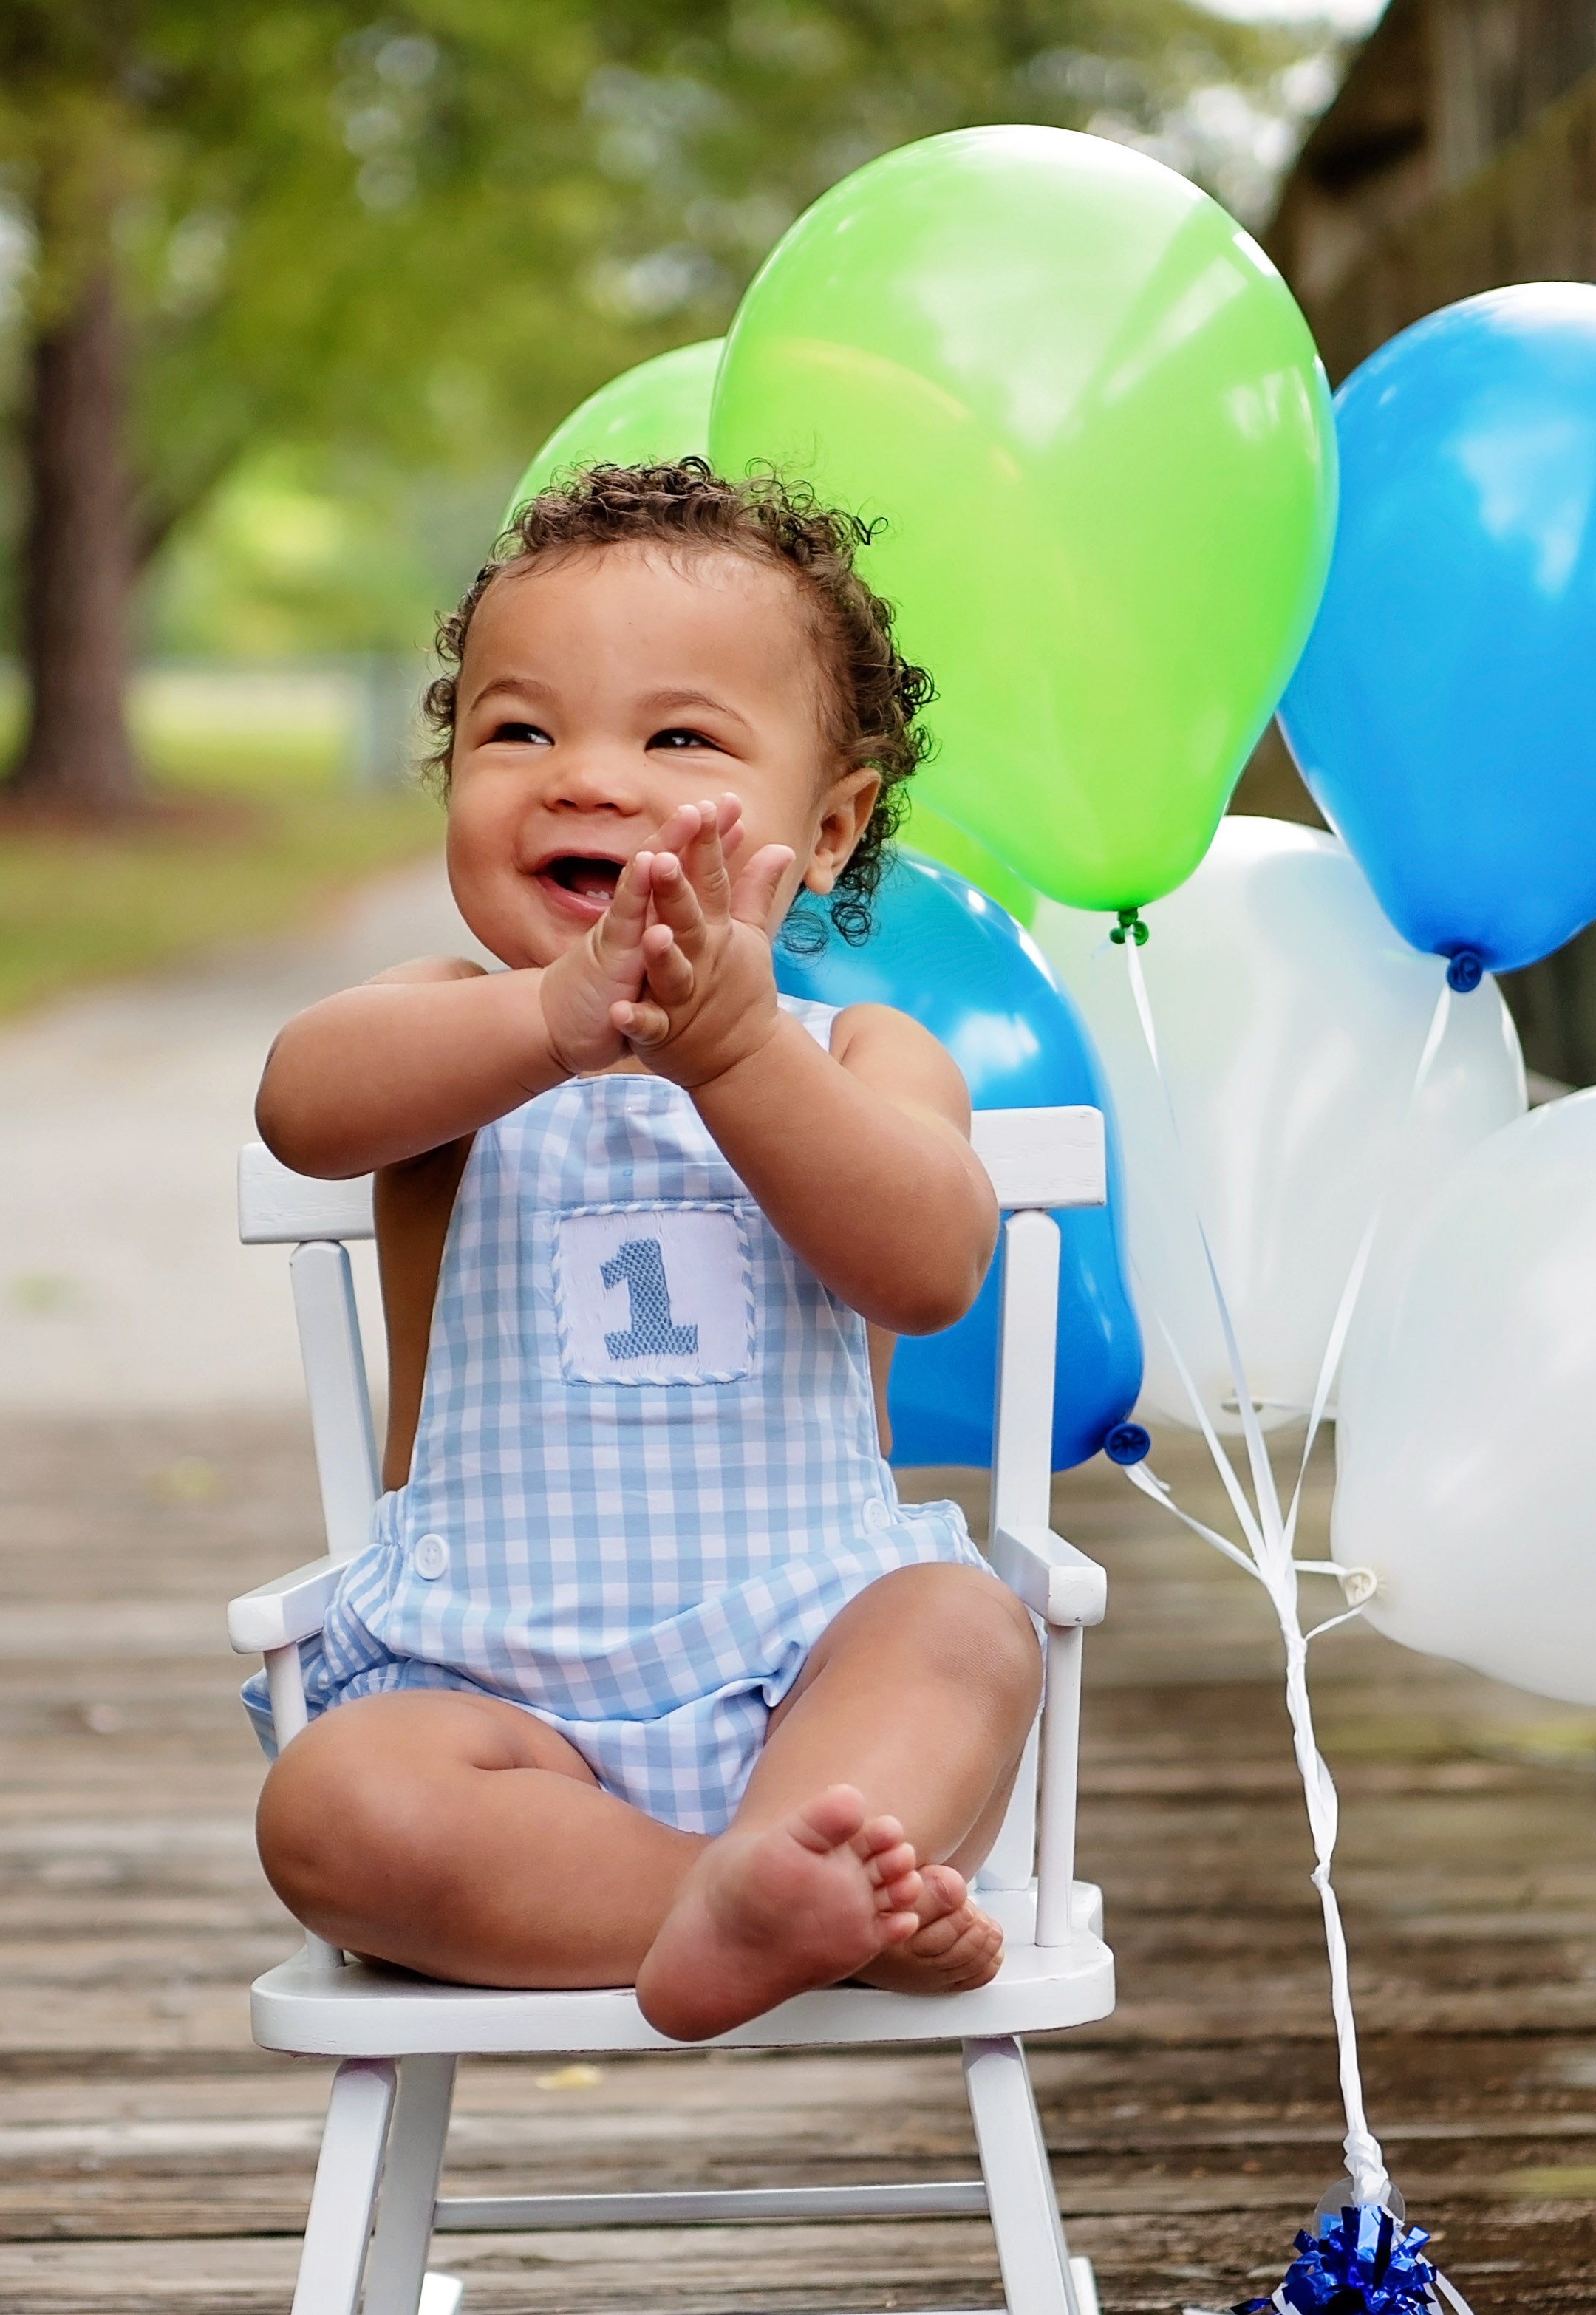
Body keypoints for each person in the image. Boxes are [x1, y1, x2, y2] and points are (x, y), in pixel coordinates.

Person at [249, 460, 1043, 2042]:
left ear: (827, 828)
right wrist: (552, 1018)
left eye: (675, 737)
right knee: (331, 1807)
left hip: (801, 1664)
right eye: (518, 730)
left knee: (961, 1629)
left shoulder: (859, 1050)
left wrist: (740, 1053)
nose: (584, 778)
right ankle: (748, 1900)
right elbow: (300, 1107)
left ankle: (799, 1857)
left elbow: (931, 1264)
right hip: (481, 1690)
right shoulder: (448, 1033)